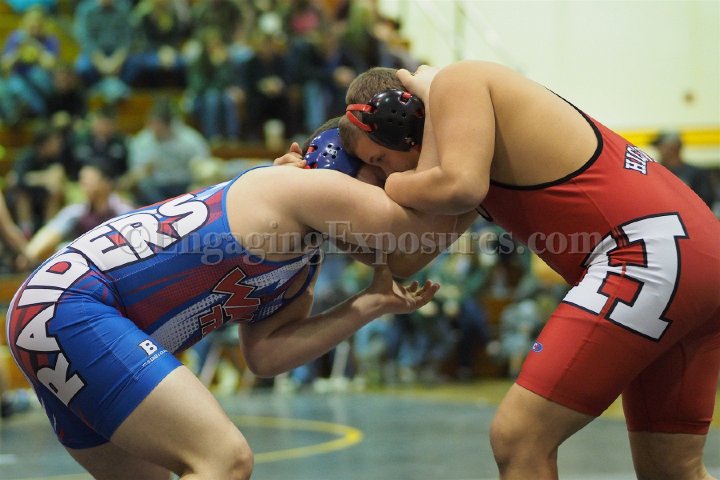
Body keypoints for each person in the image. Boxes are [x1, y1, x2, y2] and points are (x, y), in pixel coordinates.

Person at [6, 121, 473, 479]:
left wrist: (368, 305)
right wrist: (476, 173)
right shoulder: (297, 186)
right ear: (342, 172)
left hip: (50, 311)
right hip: (75, 305)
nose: (390, 201)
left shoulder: (302, 257)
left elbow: (266, 355)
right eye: (382, 184)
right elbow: (410, 244)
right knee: (223, 459)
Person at [339, 62, 720, 479]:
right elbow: (405, 258)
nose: (389, 174)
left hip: (648, 255)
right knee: (672, 470)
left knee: (518, 437)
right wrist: (326, 215)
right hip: (694, 256)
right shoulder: (467, 153)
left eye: (380, 159)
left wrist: (390, 186)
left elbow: (460, 187)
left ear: (397, 118)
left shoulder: (456, 82)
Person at [24, 164, 134, 265]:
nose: (84, 185)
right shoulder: (76, 211)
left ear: (106, 184)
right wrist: (30, 254)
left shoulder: (124, 211)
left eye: (89, 180)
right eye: (83, 180)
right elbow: (50, 233)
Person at [652, 130, 717, 209]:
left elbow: (707, 200)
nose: (658, 150)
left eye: (660, 146)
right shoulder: (656, 172)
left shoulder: (695, 173)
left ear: (673, 147)